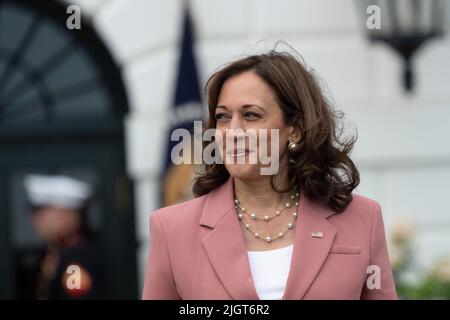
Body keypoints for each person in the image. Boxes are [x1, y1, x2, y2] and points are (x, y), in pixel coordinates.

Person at [142, 51, 397, 300]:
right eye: (223, 117)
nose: (233, 131)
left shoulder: (363, 219)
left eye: (251, 115)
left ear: (295, 130)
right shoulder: (171, 229)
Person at [24, 174, 104, 299]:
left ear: (65, 217)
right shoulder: (54, 250)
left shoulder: (77, 258)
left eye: (43, 215)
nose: (37, 222)